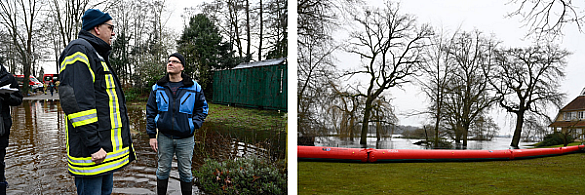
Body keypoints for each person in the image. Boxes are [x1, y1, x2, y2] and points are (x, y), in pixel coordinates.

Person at [58, 9, 135, 195]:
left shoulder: (95, 53)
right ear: (97, 29)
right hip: (93, 153)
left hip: (102, 152)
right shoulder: (79, 49)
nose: (113, 32)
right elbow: (76, 102)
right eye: (110, 27)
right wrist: (93, 145)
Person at [146, 53, 208, 195]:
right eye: (169, 61)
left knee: (186, 172)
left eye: (175, 61)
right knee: (162, 170)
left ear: (182, 67)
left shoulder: (194, 87)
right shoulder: (158, 87)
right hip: (164, 137)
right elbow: (150, 111)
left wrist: (193, 124)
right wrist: (151, 135)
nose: (170, 63)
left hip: (186, 138)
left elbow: (203, 108)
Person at [0, 63, 23, 194]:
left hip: (2, 128)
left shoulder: (8, 78)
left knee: (0, 163)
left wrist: (6, 96)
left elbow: (18, 99)